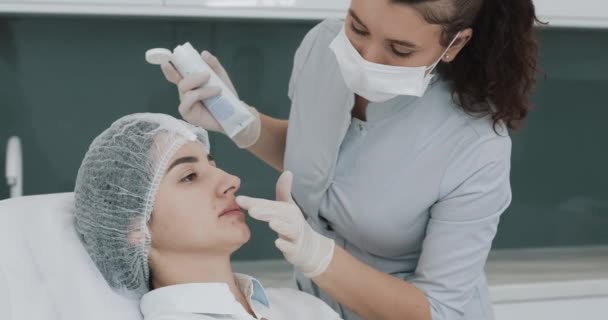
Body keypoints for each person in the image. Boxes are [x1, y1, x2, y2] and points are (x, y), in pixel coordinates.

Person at [159, 0, 541, 319]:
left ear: (454, 44)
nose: (367, 57)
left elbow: (438, 309)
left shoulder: (475, 145)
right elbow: (319, 159)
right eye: (357, 28)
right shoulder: (321, 46)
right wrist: (242, 123)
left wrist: (318, 256)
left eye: (400, 49)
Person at [73, 113, 341, 320]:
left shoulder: (305, 308)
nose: (231, 180)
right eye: (189, 176)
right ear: (134, 227)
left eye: (214, 166)